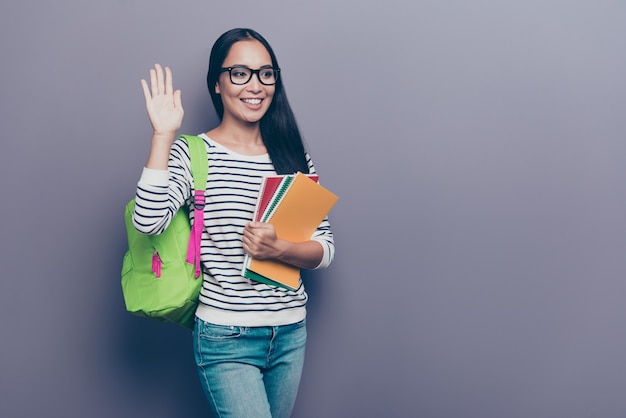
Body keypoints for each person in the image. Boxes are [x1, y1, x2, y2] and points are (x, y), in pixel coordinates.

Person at [133, 28, 335, 417]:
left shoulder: (291, 153)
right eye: (239, 73)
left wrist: (282, 249)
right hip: (227, 336)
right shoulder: (193, 153)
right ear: (217, 83)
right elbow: (148, 222)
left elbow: (324, 248)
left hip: (291, 332)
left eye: (266, 73)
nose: (255, 85)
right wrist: (162, 135)